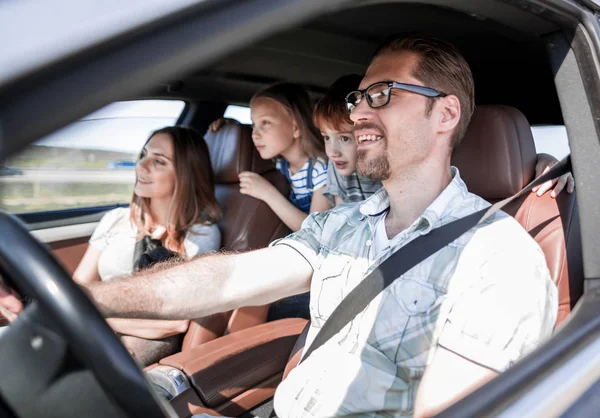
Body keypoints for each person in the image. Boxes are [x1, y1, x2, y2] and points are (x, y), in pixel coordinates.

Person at [1, 35, 558, 417]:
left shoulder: (494, 257)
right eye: (358, 97)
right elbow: (220, 282)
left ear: (446, 114)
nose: (359, 111)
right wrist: (80, 300)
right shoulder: (343, 225)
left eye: (382, 95)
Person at [73, 126, 222, 366]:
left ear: (185, 174)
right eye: (144, 154)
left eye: (159, 161)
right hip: (94, 324)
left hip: (134, 339)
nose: (141, 166)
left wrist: (93, 316)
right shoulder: (116, 219)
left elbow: (174, 322)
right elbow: (77, 287)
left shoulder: (200, 235)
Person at [315, 74, 574, 207]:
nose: (333, 151)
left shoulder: (431, 180)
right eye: (326, 138)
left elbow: (475, 162)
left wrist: (543, 162)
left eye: (345, 138)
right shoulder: (341, 175)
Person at [209, 83, 331, 231]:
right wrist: (233, 128)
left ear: (296, 128)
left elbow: (315, 231)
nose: (255, 134)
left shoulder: (321, 169)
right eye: (253, 125)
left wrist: (268, 193)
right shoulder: (280, 163)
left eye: (265, 122)